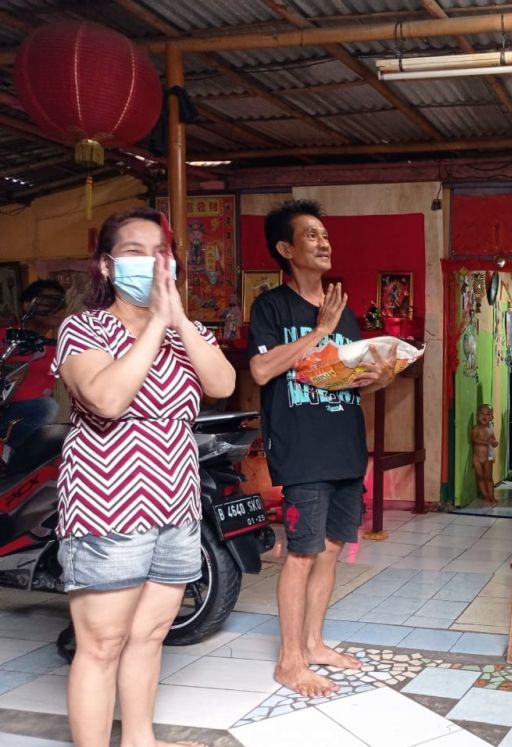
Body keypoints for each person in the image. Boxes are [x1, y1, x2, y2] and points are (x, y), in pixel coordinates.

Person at [52, 207, 236, 747]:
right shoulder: (84, 328)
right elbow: (107, 399)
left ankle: (140, 740)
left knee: (150, 635)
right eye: (136, 251)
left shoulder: (188, 329)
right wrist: (155, 325)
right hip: (107, 508)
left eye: (161, 252)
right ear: (107, 266)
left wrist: (176, 318)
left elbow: (223, 382)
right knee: (102, 643)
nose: (152, 263)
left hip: (175, 505)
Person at [248, 199, 397, 698]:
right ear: (286, 249)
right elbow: (263, 370)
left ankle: (313, 643)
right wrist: (320, 332)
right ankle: (289, 661)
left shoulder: (343, 308)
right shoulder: (271, 306)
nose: (323, 241)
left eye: (324, 234)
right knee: (302, 553)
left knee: (332, 550)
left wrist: (380, 376)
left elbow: (347, 381)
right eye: (310, 235)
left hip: (345, 445)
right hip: (303, 447)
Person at [0, 279, 66, 453]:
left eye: (61, 304)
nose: (57, 310)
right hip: (6, 413)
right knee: (46, 407)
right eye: (48, 302)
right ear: (28, 305)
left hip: (27, 423)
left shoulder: (59, 347)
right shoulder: (5, 336)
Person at [471, 403, 498, 503]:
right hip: (477, 458)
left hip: (488, 458)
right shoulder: (476, 428)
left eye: (488, 414)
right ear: (477, 416)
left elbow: (493, 441)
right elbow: (474, 439)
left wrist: (495, 443)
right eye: (482, 413)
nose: (484, 416)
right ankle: (485, 495)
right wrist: (486, 442)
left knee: (489, 478)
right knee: (481, 477)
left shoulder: (490, 430)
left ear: (491, 417)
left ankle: (492, 496)